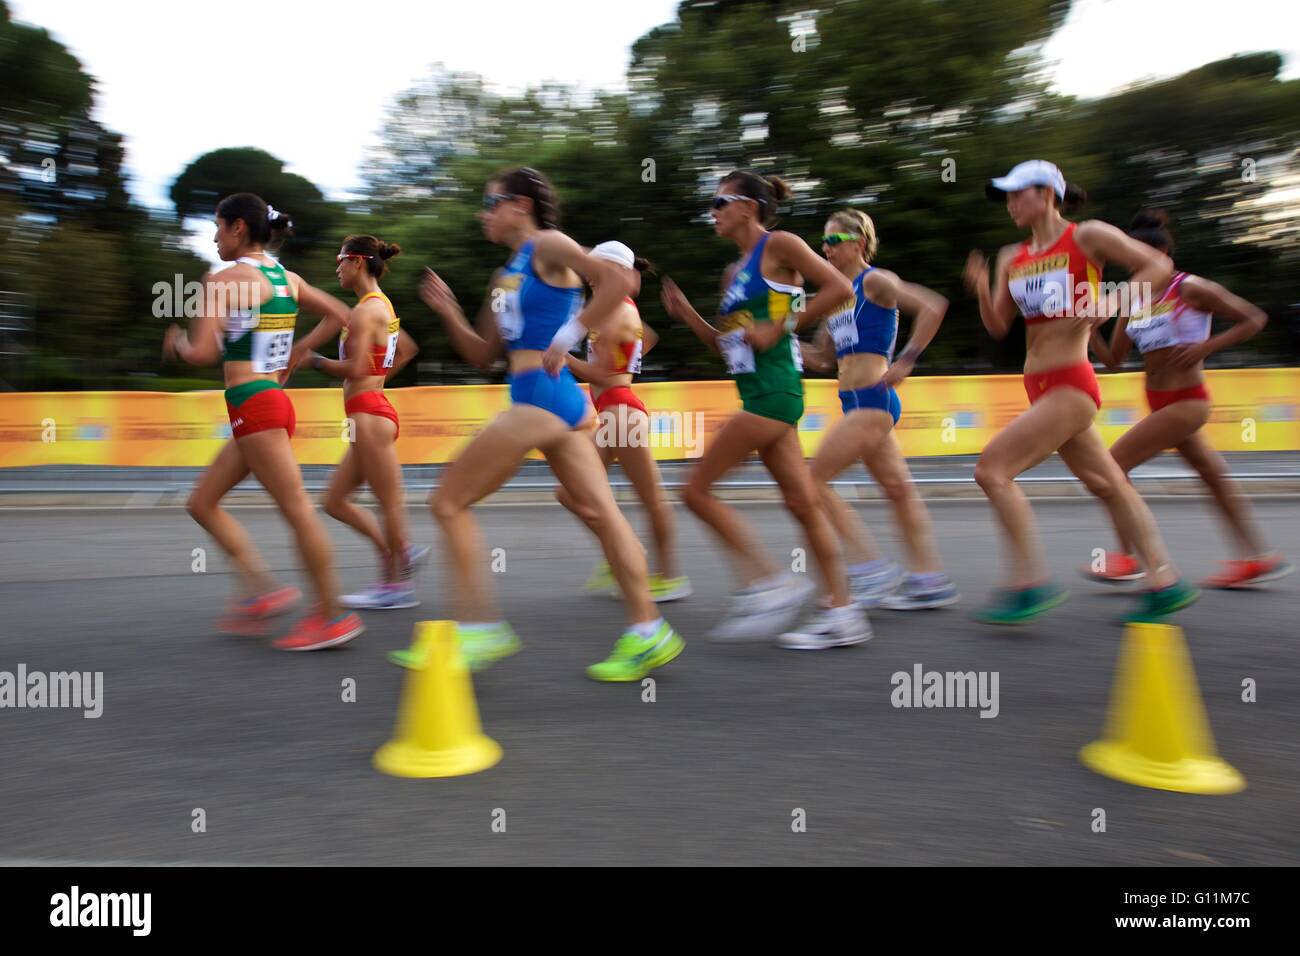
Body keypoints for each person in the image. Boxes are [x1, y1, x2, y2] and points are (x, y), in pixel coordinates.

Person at [391, 167, 684, 681]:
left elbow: (616, 280)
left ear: (521, 205)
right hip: (550, 401)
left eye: (492, 203)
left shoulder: (548, 244)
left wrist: (568, 334)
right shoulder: (505, 274)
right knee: (601, 513)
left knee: (447, 500)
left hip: (546, 400)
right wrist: (449, 312)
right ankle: (648, 632)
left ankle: (480, 629)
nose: (485, 214)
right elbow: (484, 354)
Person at [964, 160, 1198, 624]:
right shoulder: (1012, 255)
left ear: (1049, 193)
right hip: (1038, 384)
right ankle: (1165, 581)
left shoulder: (1086, 236)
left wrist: (1112, 301)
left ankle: (1029, 582)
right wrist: (979, 289)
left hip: (1070, 383)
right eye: (1006, 196)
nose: (1010, 204)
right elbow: (998, 326)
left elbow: (1158, 265)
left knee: (992, 471)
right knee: (1107, 482)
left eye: (1018, 193)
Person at [661, 170, 871, 649]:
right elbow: (725, 345)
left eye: (719, 202)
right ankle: (843, 611)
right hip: (754, 392)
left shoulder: (781, 246)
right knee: (802, 503)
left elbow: (840, 288)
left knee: (693, 490)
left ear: (747, 207)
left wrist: (782, 326)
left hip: (777, 391)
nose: (711, 212)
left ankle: (769, 581)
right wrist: (687, 314)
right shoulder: (733, 274)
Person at [162, 192, 364, 649]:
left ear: (237, 227)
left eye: (217, 226)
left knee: (296, 509)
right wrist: (299, 351)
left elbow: (204, 353)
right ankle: (263, 590)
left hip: (255, 404)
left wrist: (178, 344)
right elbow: (341, 314)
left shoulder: (224, 280)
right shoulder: (285, 277)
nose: (214, 237)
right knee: (202, 502)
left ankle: (332, 616)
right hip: (267, 403)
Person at [1085, 209, 1291, 588]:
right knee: (1212, 476)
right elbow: (1114, 362)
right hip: (1159, 402)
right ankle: (1258, 557)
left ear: (1163, 254)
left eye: (1139, 256)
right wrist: (1091, 329)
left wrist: (1205, 347)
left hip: (1187, 402)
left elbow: (1253, 318)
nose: (1134, 265)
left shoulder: (1190, 288)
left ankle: (1128, 557)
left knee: (1112, 465)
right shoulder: (1133, 299)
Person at [801, 208, 959, 610]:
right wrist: (775, 342)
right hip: (852, 401)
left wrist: (907, 360)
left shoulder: (875, 280)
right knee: (898, 490)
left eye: (833, 241)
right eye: (823, 242)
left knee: (810, 482)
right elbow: (821, 357)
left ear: (856, 242)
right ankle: (929, 579)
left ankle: (869, 569)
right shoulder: (838, 296)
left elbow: (933, 306)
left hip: (873, 400)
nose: (825, 249)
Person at [557, 241, 692, 603]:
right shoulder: (615, 308)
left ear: (613, 270)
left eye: (594, 266)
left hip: (621, 414)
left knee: (652, 499)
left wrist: (562, 357)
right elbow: (646, 339)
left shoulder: (615, 311)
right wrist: (627, 360)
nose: (587, 272)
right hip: (613, 413)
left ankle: (668, 577)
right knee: (570, 492)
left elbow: (600, 373)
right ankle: (624, 552)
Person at [306, 234, 429, 609]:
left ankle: (397, 586)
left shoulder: (365, 311)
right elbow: (406, 349)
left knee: (388, 502)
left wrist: (314, 360)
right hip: (369, 411)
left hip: (369, 414)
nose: (336, 267)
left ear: (358, 261)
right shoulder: (379, 306)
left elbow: (357, 367)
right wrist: (375, 380)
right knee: (335, 501)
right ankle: (397, 552)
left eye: (340, 260)